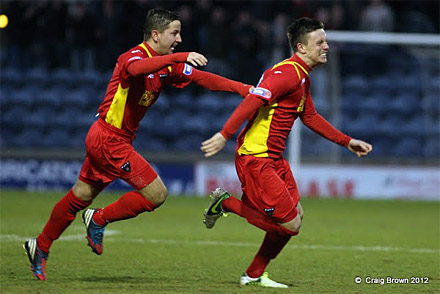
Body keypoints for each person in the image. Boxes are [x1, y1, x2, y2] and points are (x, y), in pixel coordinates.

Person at [23, 8, 251, 281]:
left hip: (110, 140)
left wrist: (243, 89)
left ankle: (40, 245)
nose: (179, 39)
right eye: (174, 33)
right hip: (109, 139)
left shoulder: (165, 64)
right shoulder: (134, 56)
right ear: (155, 35)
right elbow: (136, 69)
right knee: (156, 194)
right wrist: (180, 56)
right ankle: (98, 219)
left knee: (80, 196)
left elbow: (201, 78)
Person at [200, 17, 372, 288]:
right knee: (289, 224)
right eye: (321, 42)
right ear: (302, 48)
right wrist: (224, 134)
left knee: (296, 217)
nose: (326, 46)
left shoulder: (301, 76)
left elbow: (310, 115)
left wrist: (346, 142)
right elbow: (253, 99)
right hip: (256, 158)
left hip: (273, 158)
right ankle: (226, 203)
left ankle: (254, 274)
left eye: (325, 41)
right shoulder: (287, 74)